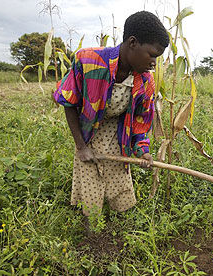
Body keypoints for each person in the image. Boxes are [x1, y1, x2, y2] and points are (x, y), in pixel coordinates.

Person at [53, 11, 169, 221]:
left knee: (119, 177)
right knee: (90, 179)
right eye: (152, 55)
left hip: (118, 133)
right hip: (88, 133)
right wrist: (81, 147)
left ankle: (120, 226)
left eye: (157, 58)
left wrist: (142, 151)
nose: (154, 63)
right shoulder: (88, 61)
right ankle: (92, 230)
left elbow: (140, 121)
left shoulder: (145, 82)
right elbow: (68, 102)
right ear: (132, 42)